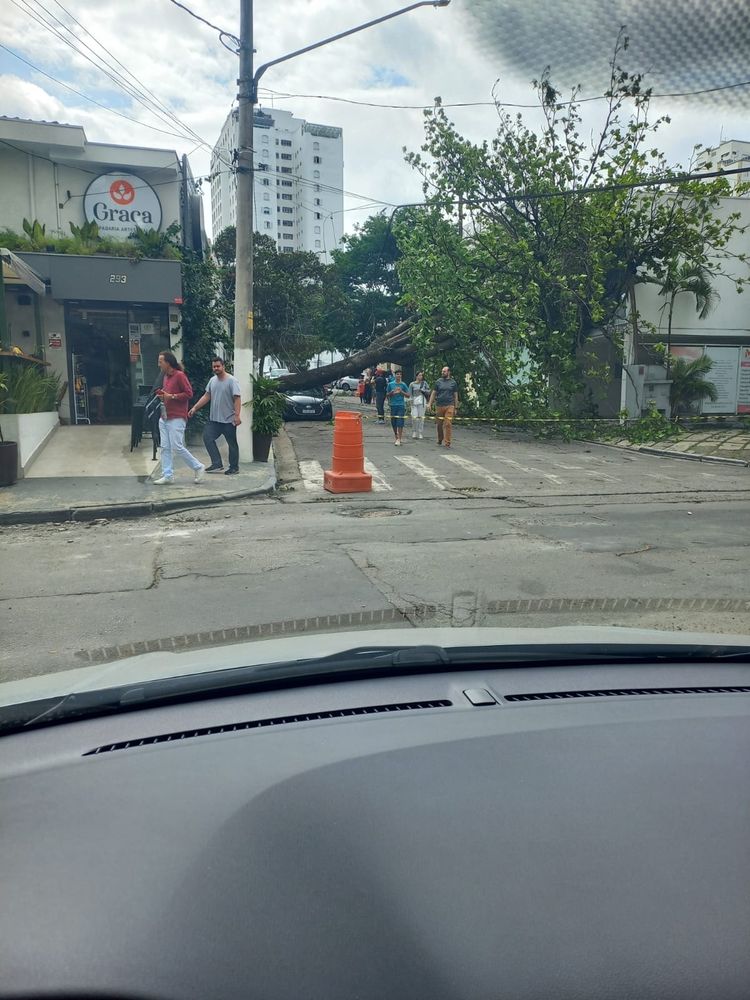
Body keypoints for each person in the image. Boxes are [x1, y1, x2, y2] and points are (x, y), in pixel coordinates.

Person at [152, 351, 205, 485]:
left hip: (177, 416)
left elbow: (189, 393)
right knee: (165, 447)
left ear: (168, 363)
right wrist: (163, 396)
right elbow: (168, 393)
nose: (158, 364)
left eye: (160, 362)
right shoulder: (165, 377)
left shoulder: (180, 375)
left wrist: (172, 396)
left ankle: (198, 466)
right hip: (165, 416)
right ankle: (167, 475)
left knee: (176, 446)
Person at [187, 357, 242, 476]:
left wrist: (237, 416)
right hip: (214, 420)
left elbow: (237, 398)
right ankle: (217, 463)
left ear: (223, 366)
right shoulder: (212, 381)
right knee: (207, 437)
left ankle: (234, 467)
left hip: (228, 420)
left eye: (218, 366)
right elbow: (207, 396)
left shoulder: (232, 381)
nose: (216, 368)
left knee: (232, 444)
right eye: (214, 366)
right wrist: (195, 408)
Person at [428, 365, 460, 448]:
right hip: (439, 405)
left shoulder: (453, 383)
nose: (442, 373)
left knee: (448, 423)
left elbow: (455, 395)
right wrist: (430, 403)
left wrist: (456, 407)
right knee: (439, 424)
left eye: (444, 371)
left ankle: (447, 442)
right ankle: (440, 438)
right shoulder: (438, 382)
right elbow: (434, 393)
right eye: (442, 371)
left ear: (448, 372)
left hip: (450, 405)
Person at [387, 367, 409, 446]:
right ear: (395, 375)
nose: (399, 376)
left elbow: (408, 395)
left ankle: (399, 438)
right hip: (393, 405)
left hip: (401, 405)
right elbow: (387, 395)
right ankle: (396, 436)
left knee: (400, 421)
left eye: (400, 374)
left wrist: (401, 392)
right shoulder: (390, 384)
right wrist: (392, 393)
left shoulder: (403, 384)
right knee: (393, 422)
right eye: (397, 374)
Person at [409, 370, 430, 439]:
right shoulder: (412, 384)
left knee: (421, 417)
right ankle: (414, 431)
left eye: (421, 375)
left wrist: (424, 390)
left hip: (422, 401)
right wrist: (411, 402)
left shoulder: (424, 383)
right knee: (414, 417)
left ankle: (420, 432)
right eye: (419, 375)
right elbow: (410, 394)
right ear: (416, 376)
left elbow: (429, 391)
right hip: (414, 402)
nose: (421, 377)